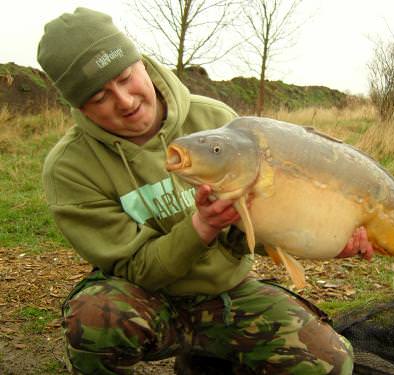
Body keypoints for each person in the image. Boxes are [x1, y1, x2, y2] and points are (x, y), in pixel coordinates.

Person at [38, 7, 374, 375]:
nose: (125, 101)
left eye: (125, 77)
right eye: (99, 97)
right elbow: (133, 267)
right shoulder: (70, 168)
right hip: (144, 300)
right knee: (94, 319)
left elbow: (257, 230)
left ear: (141, 64)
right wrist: (201, 228)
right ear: (79, 107)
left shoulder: (217, 122)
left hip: (228, 294)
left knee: (331, 362)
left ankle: (205, 358)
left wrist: (328, 241)